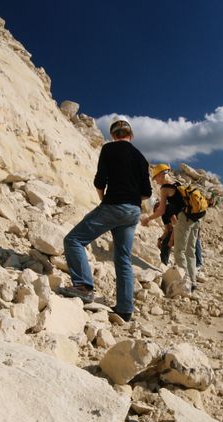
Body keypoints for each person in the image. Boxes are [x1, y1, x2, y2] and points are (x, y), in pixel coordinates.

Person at [59, 116, 152, 322]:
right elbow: (146, 193)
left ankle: (83, 286)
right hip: (133, 211)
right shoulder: (141, 158)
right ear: (131, 135)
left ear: (112, 135)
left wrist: (104, 200)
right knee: (123, 259)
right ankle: (125, 309)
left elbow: (100, 181)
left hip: (113, 206)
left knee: (73, 240)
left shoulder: (108, 149)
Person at [141, 164, 202, 292]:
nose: (156, 181)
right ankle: (193, 281)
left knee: (179, 252)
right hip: (195, 219)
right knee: (190, 252)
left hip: (183, 220)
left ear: (161, 175)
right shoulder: (178, 184)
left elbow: (161, 210)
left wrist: (148, 219)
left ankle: (184, 284)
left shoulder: (165, 188)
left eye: (156, 178)